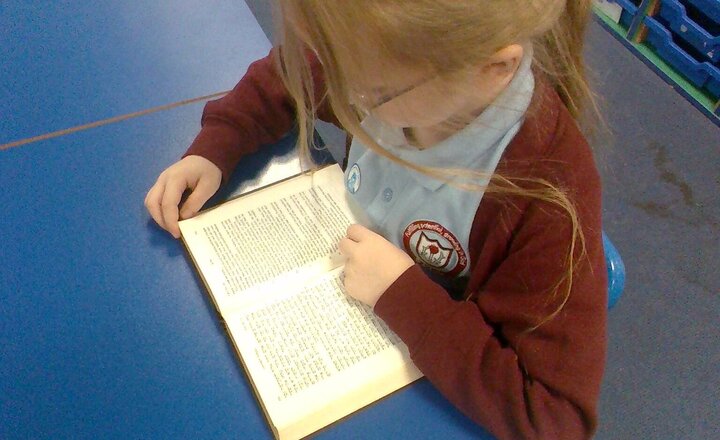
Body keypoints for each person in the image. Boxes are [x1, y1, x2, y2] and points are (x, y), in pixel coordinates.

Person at [145, 1, 607, 438]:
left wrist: (402, 294)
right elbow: (291, 73)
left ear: (493, 69)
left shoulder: (545, 191)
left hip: (422, 370)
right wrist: (219, 144)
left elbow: (553, 415)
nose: (343, 90)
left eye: (374, 91)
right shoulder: (381, 62)